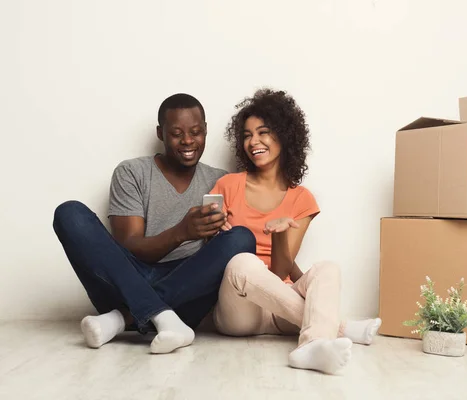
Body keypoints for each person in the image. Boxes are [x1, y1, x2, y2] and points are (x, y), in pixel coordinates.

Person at [52, 93, 256, 354]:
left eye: (196, 132)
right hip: (127, 280)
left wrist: (215, 237)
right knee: (70, 214)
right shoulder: (132, 173)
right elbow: (129, 247)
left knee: (242, 239)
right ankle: (162, 318)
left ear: (206, 130)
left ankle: (121, 319)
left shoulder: (221, 180)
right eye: (176, 133)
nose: (188, 141)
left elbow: (222, 258)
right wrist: (182, 232)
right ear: (160, 133)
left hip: (186, 289)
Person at [209, 89, 382, 374]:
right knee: (243, 261)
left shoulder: (302, 199)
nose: (254, 142)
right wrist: (214, 233)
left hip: (281, 309)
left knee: (328, 268)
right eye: (247, 135)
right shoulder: (227, 185)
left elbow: (278, 274)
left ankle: (312, 345)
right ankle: (339, 327)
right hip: (239, 311)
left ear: (285, 136)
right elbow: (210, 256)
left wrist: (278, 236)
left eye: (263, 132)